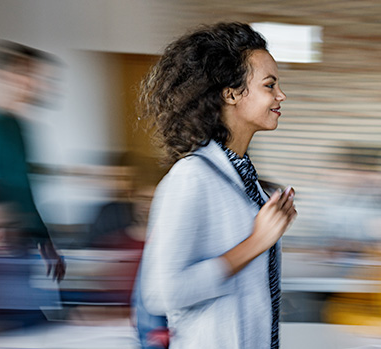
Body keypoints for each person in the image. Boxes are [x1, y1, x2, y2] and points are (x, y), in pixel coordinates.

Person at [137, 23, 297, 349]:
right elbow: (160, 293)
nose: (281, 95)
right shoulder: (191, 177)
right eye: (270, 85)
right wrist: (255, 242)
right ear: (231, 93)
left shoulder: (244, 179)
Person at [0, 40, 65, 281]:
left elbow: (24, 189)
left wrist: (45, 241)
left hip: (21, 244)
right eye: (25, 74)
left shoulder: (15, 125)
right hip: (0, 248)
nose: (33, 84)